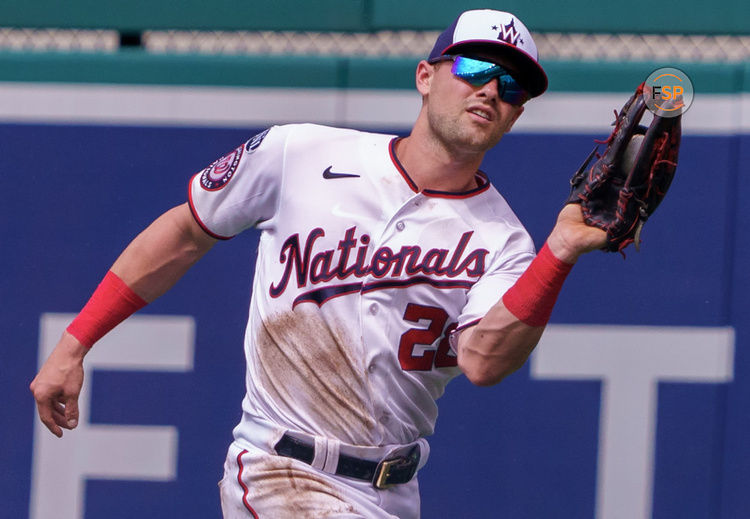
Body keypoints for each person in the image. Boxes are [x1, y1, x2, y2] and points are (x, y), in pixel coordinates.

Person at [30, 9, 607, 519]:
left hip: (395, 491)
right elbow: (185, 232)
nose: (490, 91)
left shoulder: (505, 242)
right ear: (426, 76)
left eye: (510, 86)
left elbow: (483, 362)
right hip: (281, 470)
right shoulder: (298, 153)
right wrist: (75, 342)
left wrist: (558, 255)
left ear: (517, 113)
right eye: (474, 69)